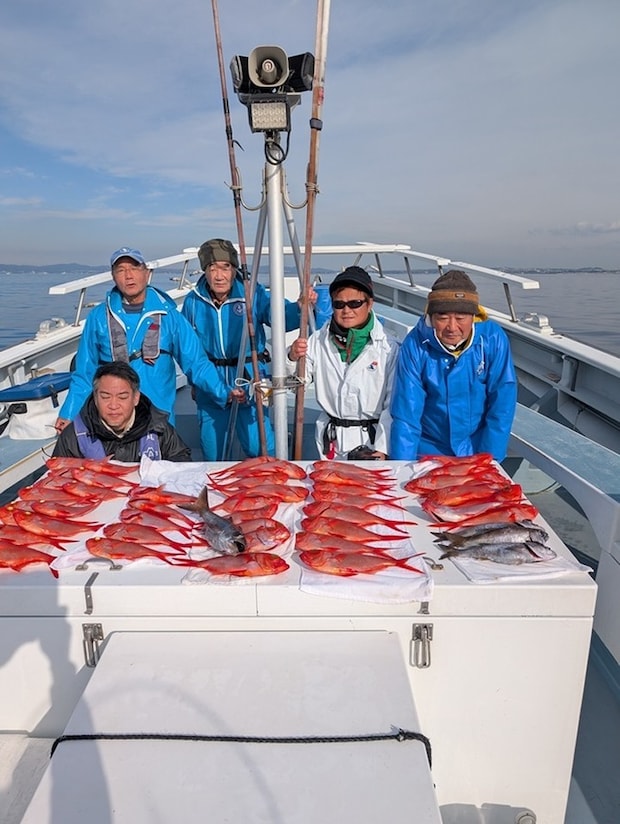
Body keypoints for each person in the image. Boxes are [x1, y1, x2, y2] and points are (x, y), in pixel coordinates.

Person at [55, 247, 244, 433]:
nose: (129, 275)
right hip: (111, 419)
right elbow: (85, 372)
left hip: (158, 417)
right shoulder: (98, 317)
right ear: (113, 277)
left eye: (135, 268)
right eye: (121, 270)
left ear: (146, 273)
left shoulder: (169, 316)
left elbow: (196, 362)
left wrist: (224, 392)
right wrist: (69, 413)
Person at [181, 238, 315, 461]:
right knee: (214, 455)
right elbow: (190, 353)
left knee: (260, 449)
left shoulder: (252, 294)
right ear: (204, 271)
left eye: (225, 267)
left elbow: (279, 316)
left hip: (249, 382)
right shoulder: (192, 303)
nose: (219, 275)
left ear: (234, 269)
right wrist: (202, 385)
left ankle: (268, 489)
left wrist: (299, 307)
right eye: (212, 268)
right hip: (210, 388)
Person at [390, 269, 517, 461]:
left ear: (473, 316)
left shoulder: (492, 338)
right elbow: (407, 413)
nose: (452, 327)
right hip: (428, 450)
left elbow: (502, 405)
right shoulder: (415, 345)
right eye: (442, 317)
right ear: (431, 316)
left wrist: (490, 461)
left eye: (461, 317)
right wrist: (401, 466)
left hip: (476, 446)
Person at [287, 266, 399, 460]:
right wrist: (291, 358)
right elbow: (295, 385)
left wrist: (382, 448)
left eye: (355, 303)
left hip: (371, 446)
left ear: (369, 303)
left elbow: (393, 405)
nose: (346, 310)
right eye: (339, 304)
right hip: (331, 445)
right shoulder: (316, 341)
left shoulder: (389, 347)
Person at [53, 361, 191, 461]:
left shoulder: (160, 429)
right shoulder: (72, 436)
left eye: (122, 397)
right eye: (105, 397)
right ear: (95, 397)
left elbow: (182, 464)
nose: (113, 405)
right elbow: (56, 480)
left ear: (136, 398)